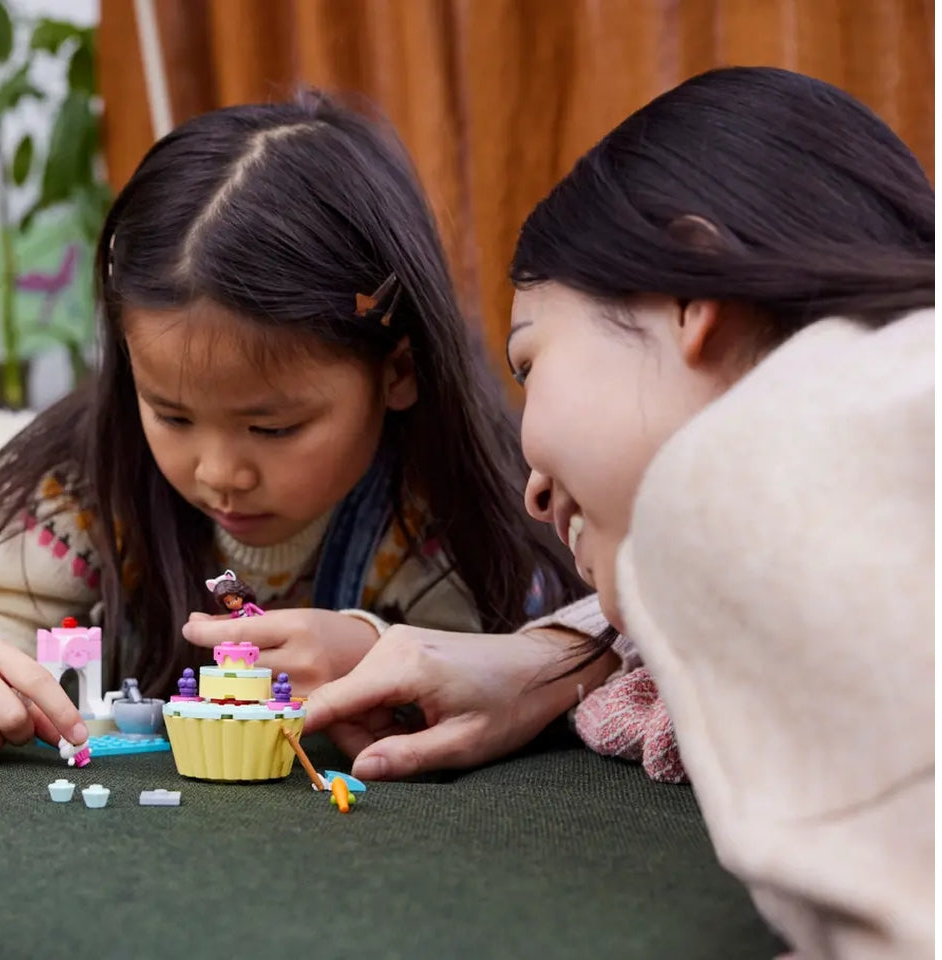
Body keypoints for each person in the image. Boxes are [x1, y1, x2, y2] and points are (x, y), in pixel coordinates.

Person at [301, 67, 933, 959]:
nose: (532, 487)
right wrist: (548, 656)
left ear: (692, 289)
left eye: (531, 362)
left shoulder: (755, 468)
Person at [0, 93, 606, 764]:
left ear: (399, 371)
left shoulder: (451, 510)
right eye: (172, 414)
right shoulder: (91, 486)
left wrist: (374, 649)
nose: (220, 472)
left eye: (273, 427)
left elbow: (512, 661)